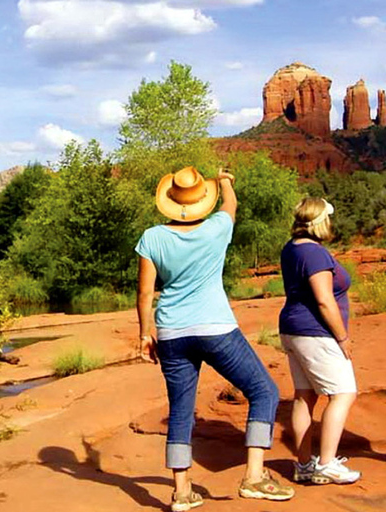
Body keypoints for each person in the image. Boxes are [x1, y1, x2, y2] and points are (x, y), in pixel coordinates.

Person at [136, 166, 294, 512]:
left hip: (173, 333)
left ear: (171, 201)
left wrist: (145, 333)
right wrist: (224, 181)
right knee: (264, 391)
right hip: (215, 328)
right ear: (201, 201)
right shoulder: (217, 228)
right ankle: (254, 478)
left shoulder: (152, 237)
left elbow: (146, 293)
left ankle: (181, 492)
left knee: (180, 408)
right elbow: (231, 205)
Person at [278, 197, 361, 485]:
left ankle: (304, 465)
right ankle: (326, 463)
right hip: (315, 332)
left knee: (305, 396)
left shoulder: (291, 249)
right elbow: (325, 301)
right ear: (320, 221)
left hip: (292, 329)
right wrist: (343, 337)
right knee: (343, 394)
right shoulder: (315, 254)